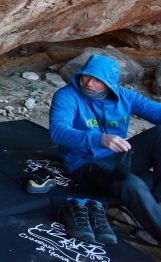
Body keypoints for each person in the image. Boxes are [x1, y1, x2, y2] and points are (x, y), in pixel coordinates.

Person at [49, 53, 161, 243]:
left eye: (98, 80)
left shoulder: (126, 96)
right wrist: (99, 139)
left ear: (110, 83)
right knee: (132, 185)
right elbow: (58, 131)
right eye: (87, 76)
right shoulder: (67, 96)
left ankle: (157, 201)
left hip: (119, 156)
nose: (89, 83)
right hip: (86, 164)